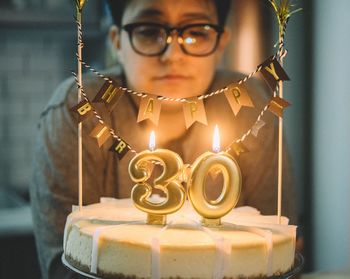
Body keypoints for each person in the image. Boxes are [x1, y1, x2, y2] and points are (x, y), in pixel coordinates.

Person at [30, 0, 297, 278]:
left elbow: (278, 250)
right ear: (116, 41)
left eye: (197, 32)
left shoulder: (251, 106)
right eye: (148, 31)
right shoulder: (80, 109)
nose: (172, 55)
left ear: (220, 44)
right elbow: (63, 265)